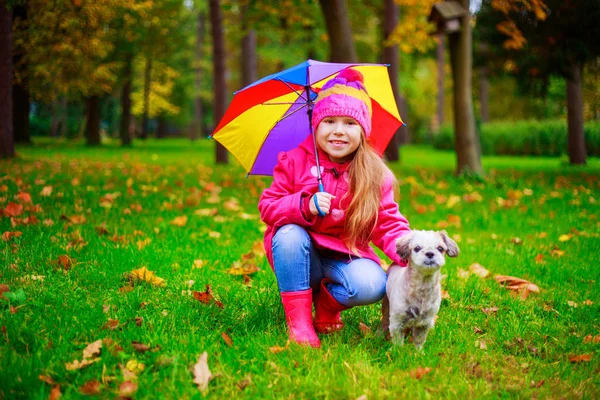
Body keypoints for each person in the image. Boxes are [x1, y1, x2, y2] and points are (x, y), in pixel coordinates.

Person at [258, 68, 411, 348]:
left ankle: (327, 308)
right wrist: (305, 205)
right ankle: (300, 322)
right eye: (329, 121)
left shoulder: (374, 173)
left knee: (372, 284)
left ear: (363, 130)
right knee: (288, 233)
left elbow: (387, 221)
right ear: (316, 124)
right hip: (302, 257)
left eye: (350, 123)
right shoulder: (294, 162)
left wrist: (407, 250)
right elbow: (268, 207)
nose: (338, 130)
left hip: (346, 255)